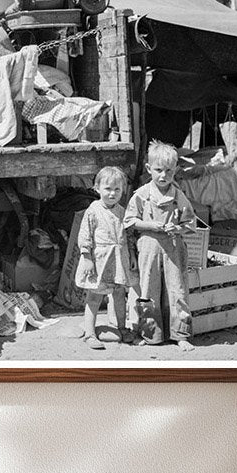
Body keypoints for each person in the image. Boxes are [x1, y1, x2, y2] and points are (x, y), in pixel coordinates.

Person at [124, 141, 196, 351]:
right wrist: (150, 225)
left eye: (169, 171)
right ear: (149, 169)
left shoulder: (178, 195)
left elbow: (190, 222)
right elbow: (129, 221)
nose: (163, 176)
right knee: (149, 289)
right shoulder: (142, 194)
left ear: (176, 170)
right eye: (158, 170)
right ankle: (151, 334)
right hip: (149, 248)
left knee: (177, 290)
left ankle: (180, 334)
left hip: (173, 248)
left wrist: (178, 228)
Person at [75, 166, 135, 349]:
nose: (112, 193)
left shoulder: (122, 211)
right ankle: (90, 333)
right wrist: (87, 258)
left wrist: (132, 255)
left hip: (118, 261)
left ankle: (122, 328)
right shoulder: (93, 211)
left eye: (117, 189)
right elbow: (84, 236)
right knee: (94, 297)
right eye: (108, 189)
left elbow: (128, 235)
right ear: (97, 188)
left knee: (119, 295)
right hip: (99, 261)